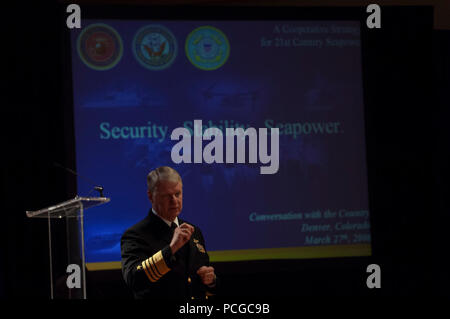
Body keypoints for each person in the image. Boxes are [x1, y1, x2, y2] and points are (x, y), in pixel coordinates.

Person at [121, 166, 218, 299]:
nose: (174, 201)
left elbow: (199, 281)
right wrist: (172, 248)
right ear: (150, 196)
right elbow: (134, 280)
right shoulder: (135, 235)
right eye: (166, 196)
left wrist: (211, 280)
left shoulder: (194, 231)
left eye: (177, 194)